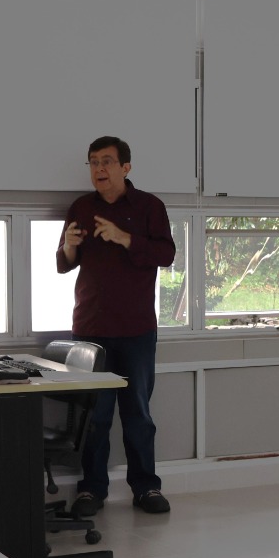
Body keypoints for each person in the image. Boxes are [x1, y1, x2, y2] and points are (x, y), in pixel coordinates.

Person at [55, 136, 175, 516]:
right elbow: (63, 263)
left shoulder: (149, 207)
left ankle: (146, 488)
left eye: (106, 161)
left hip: (137, 330)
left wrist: (124, 238)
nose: (99, 169)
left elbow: (166, 254)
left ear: (126, 167)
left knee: (137, 414)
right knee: (94, 416)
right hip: (90, 329)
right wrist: (69, 244)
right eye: (93, 162)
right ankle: (92, 490)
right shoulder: (81, 207)